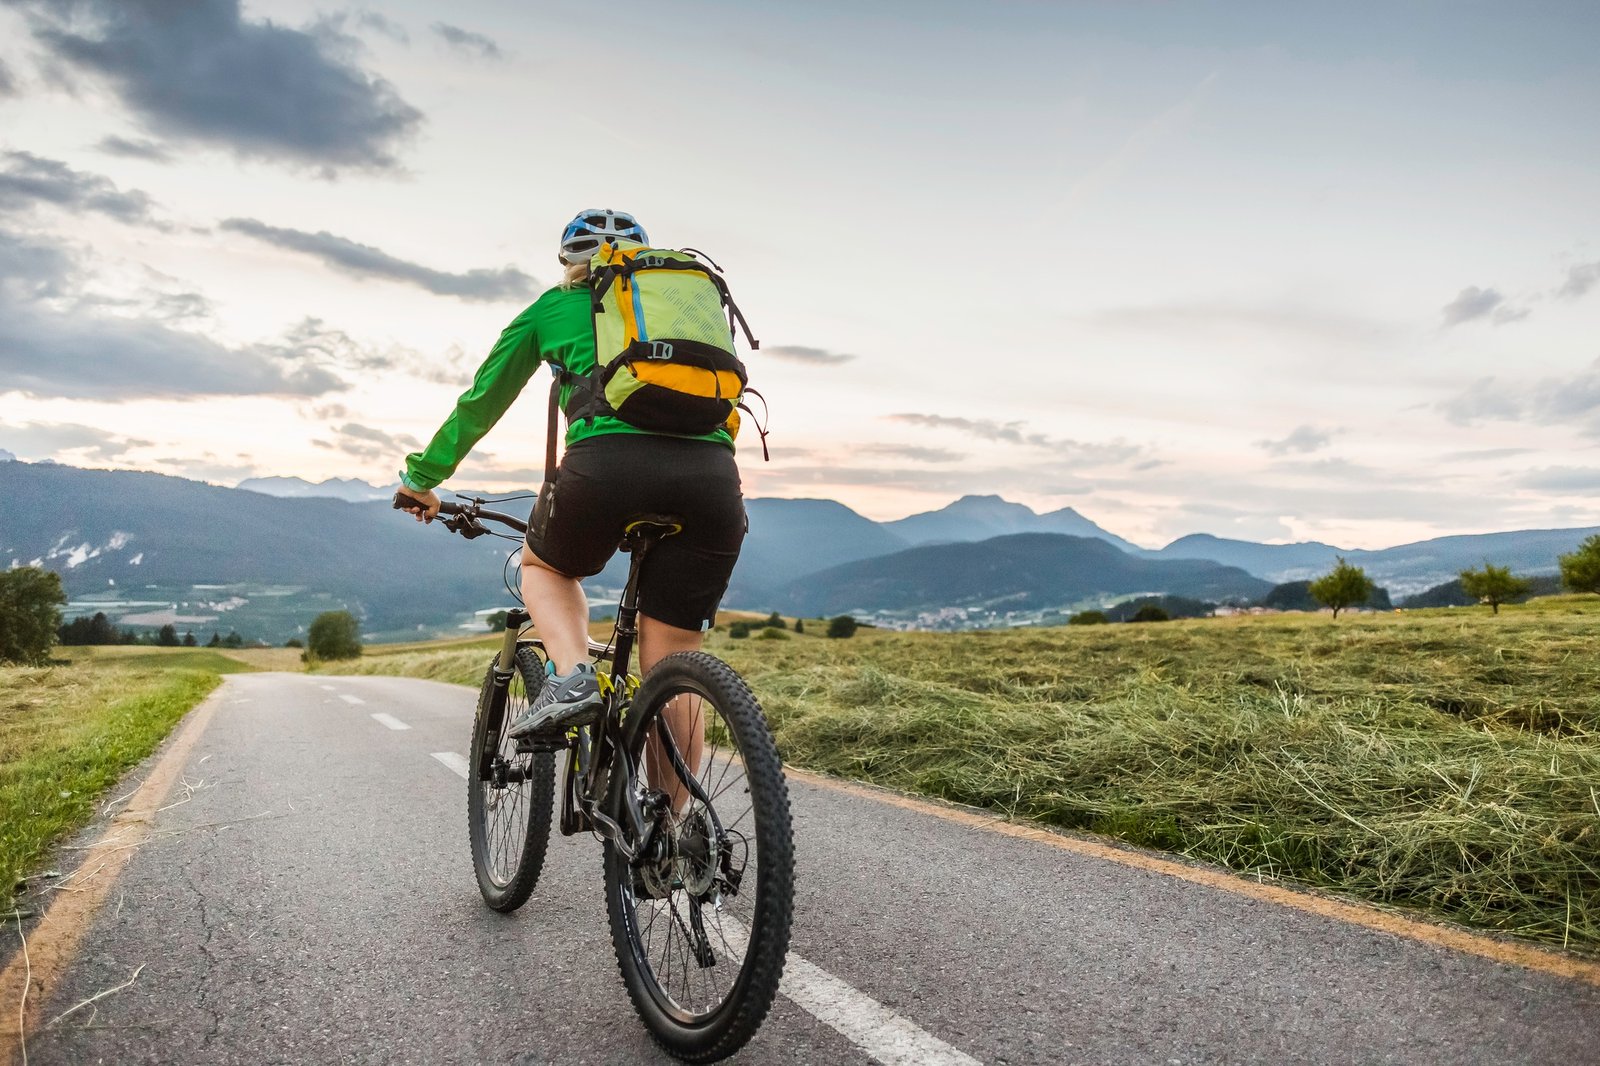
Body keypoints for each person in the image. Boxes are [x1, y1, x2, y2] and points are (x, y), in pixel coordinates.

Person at [397, 209, 747, 740]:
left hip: (605, 468)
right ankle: (676, 823)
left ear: (568, 261)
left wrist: (422, 479)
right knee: (671, 667)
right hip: (713, 478)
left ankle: (574, 675)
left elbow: (481, 403)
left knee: (544, 568)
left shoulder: (551, 308)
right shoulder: (685, 311)